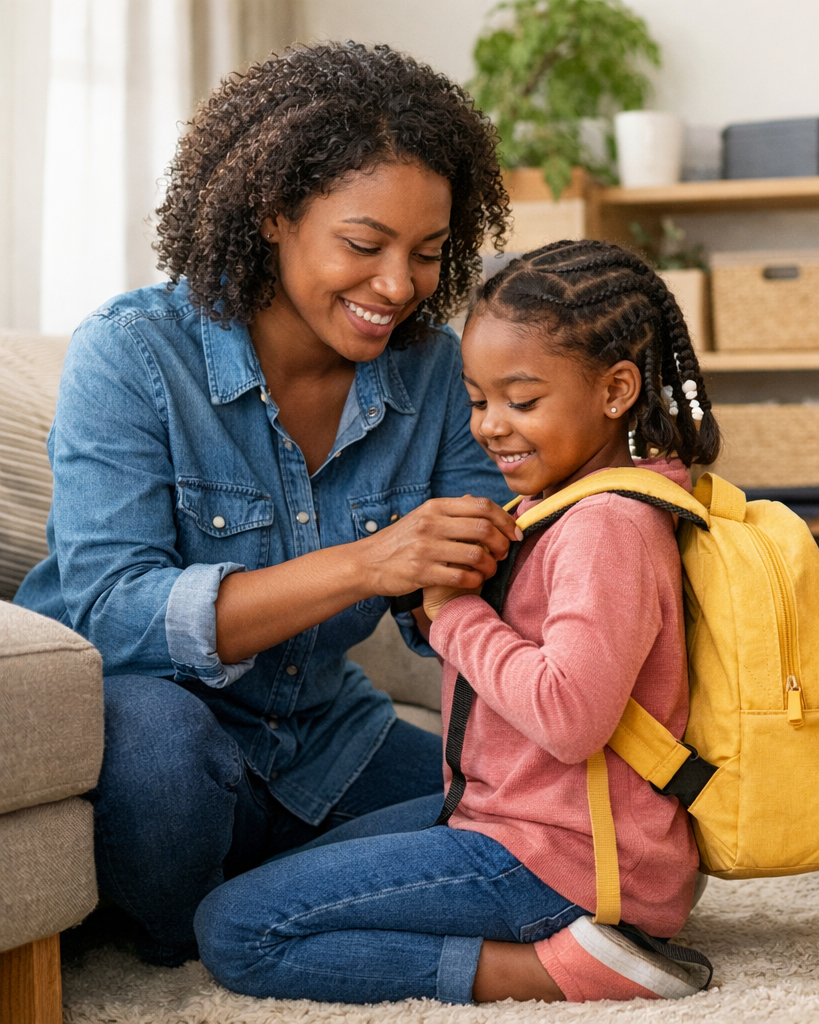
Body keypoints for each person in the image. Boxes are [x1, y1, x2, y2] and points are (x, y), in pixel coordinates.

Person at [14, 43, 517, 966]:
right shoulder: (132, 356)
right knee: (164, 749)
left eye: (429, 254)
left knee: (524, 816)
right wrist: (369, 564)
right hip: (156, 739)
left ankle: (262, 905)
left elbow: (464, 603)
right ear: (274, 213)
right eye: (364, 246)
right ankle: (217, 917)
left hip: (325, 738)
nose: (400, 287)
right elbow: (109, 613)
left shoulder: (440, 374)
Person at [195, 239, 724, 1005]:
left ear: (616, 392)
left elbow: (569, 715)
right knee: (267, 888)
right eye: (478, 401)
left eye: (523, 400)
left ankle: (566, 968)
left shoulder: (607, 524)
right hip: (514, 821)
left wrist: (453, 616)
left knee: (238, 931)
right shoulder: (563, 506)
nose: (491, 428)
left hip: (564, 856)